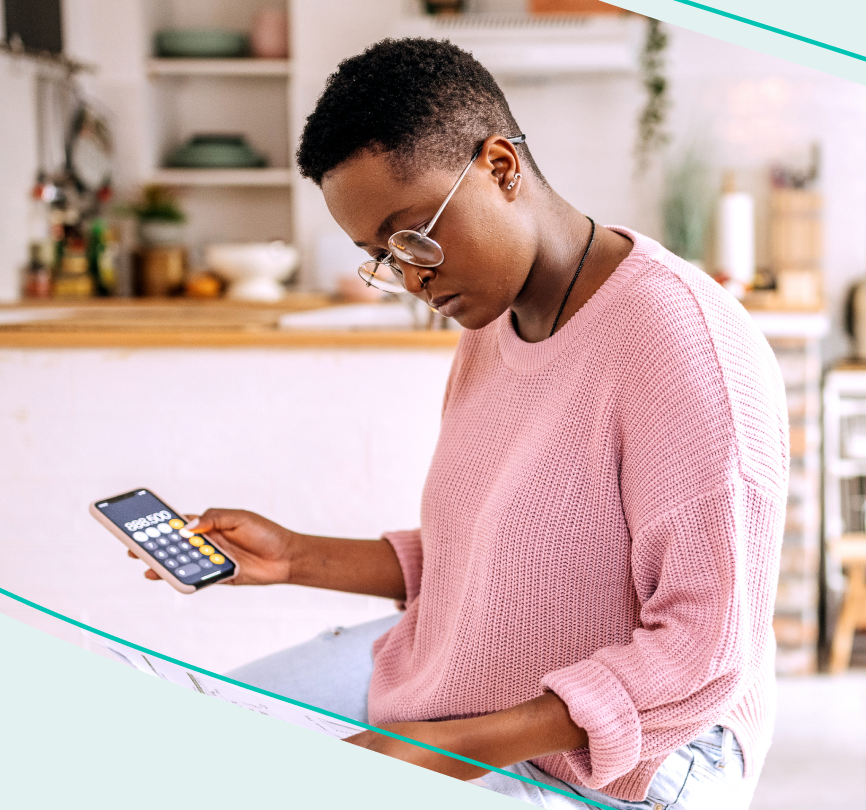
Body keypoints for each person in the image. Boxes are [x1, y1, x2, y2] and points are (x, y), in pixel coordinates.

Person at [135, 37, 788, 809]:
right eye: (380, 255)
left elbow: (703, 653)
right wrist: (295, 558)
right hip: (470, 686)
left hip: (639, 756)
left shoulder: (680, 342)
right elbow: (492, 556)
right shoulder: (492, 325)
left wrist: (443, 749)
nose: (410, 277)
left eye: (413, 235)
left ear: (501, 167)